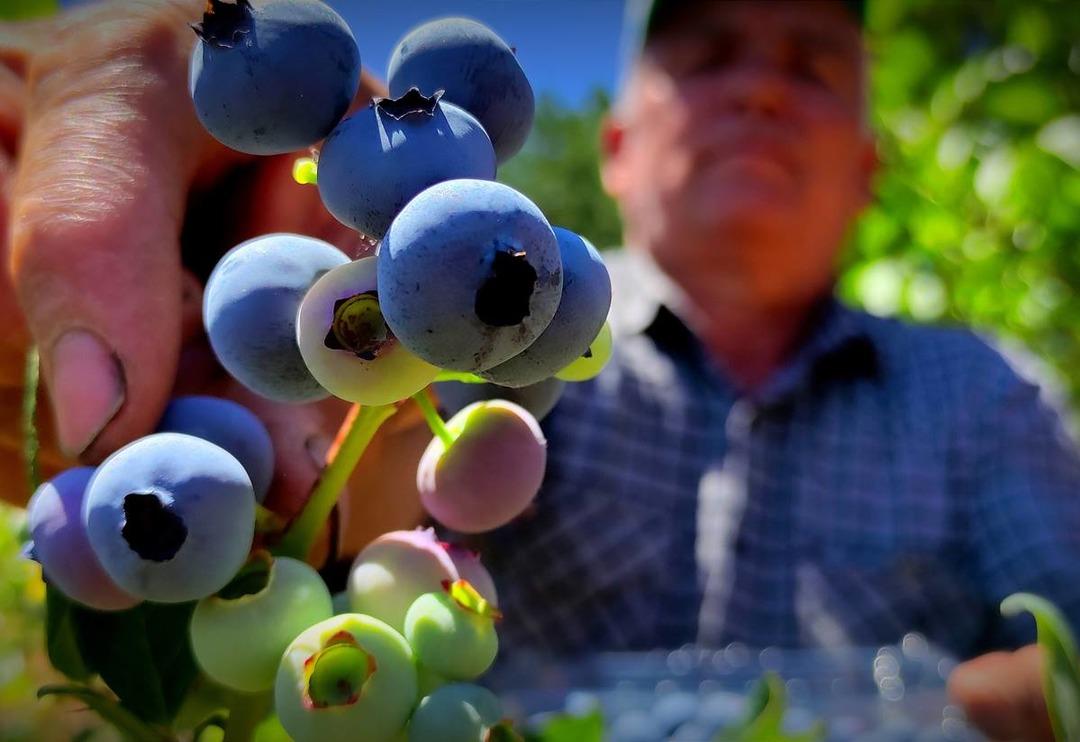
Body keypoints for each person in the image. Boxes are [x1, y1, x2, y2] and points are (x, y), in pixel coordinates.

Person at [0, 1, 1070, 738]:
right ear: (617, 149)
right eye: (709, 57)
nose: (759, 92)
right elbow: (362, 491)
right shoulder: (490, 363)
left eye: (812, 67)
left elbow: (1064, 657)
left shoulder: (986, 395)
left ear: (869, 170)